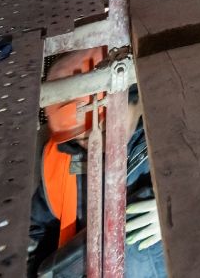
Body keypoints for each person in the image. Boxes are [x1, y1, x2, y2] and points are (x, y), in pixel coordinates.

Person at [29, 48, 166, 278]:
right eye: (80, 137)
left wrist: (178, 213)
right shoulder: (59, 159)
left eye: (103, 126)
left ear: (136, 98)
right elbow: (37, 230)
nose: (93, 141)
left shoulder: (173, 135)